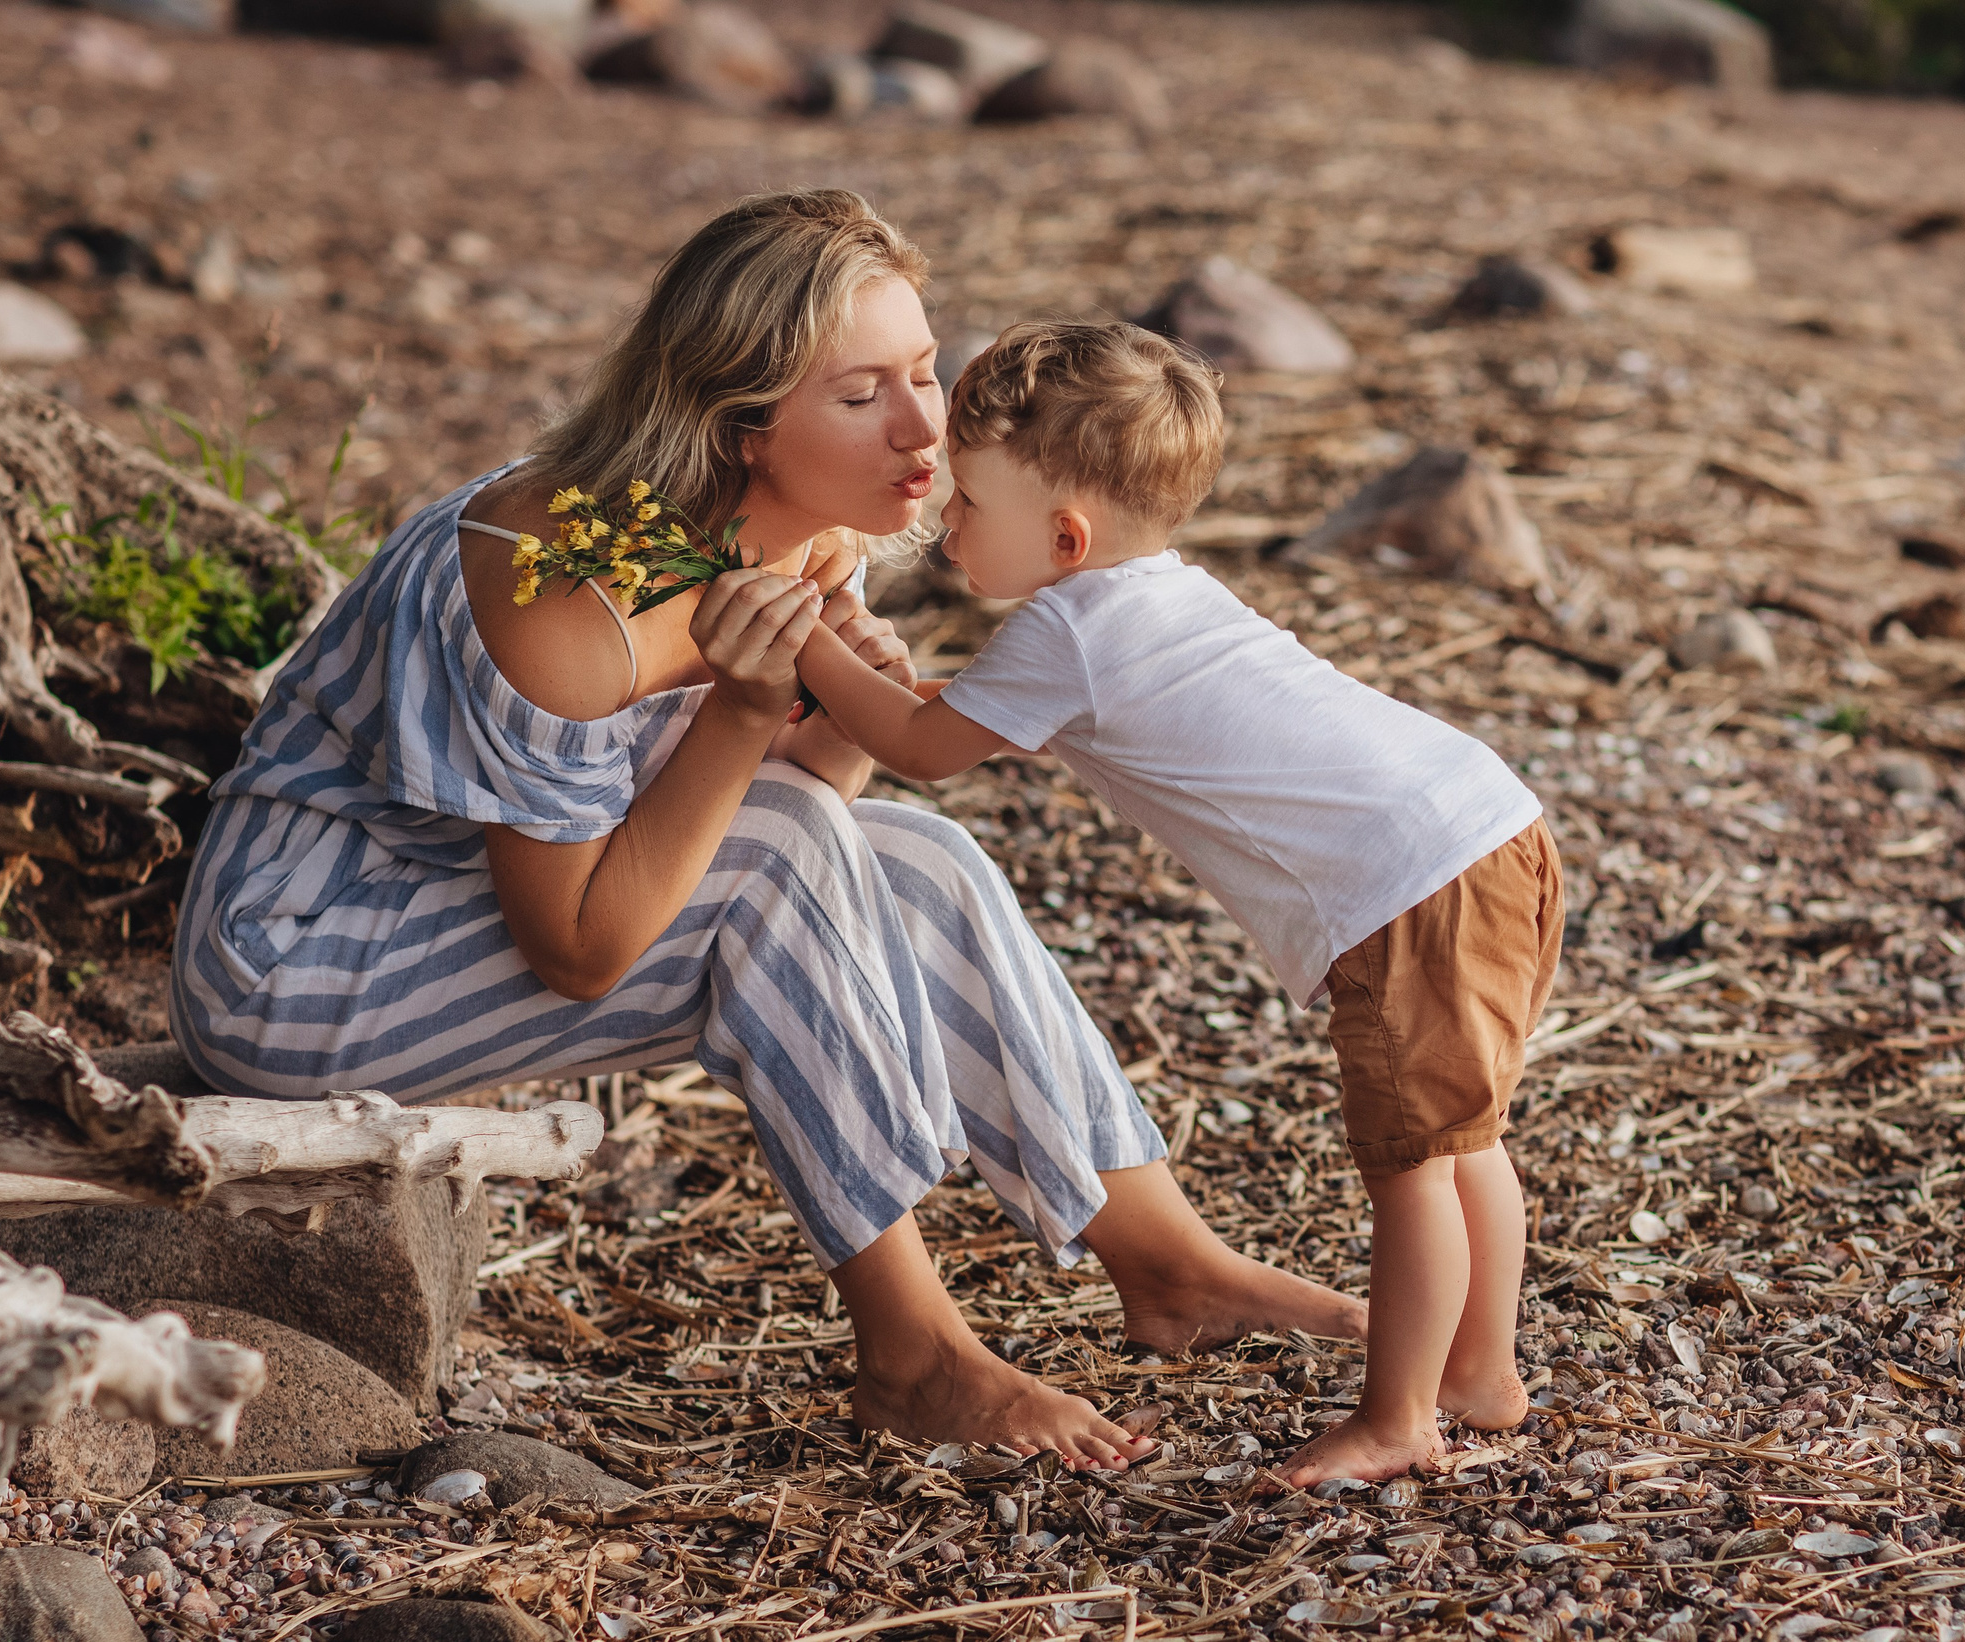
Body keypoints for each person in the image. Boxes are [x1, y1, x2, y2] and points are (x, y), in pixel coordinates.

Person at [171, 191, 1363, 1472]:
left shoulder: (813, 531)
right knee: (789, 839)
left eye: (923, 370)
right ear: (738, 424)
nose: (922, 429)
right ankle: (911, 1355)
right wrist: (747, 712)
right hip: (296, 962)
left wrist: (838, 715)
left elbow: (810, 830)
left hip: (467, 913)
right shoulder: (566, 592)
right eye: (860, 396)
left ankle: (1168, 1263)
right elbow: (586, 947)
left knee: (925, 860)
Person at [793, 318, 1561, 1483]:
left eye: (967, 506)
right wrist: (892, 683)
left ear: (1064, 534)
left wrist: (808, 641)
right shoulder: (1152, 596)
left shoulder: (1060, 629)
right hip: (1484, 828)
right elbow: (974, 713)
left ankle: (1404, 1417)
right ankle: (1480, 1371)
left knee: (1410, 1164)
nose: (946, 526)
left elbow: (923, 748)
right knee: (1466, 1141)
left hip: (1405, 888)